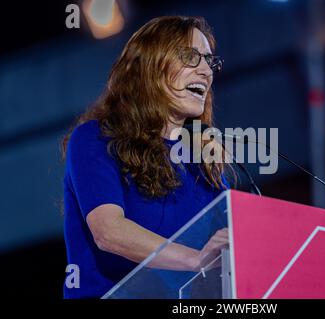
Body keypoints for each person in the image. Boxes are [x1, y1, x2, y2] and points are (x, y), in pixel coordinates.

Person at [61, 16, 233, 299]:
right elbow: (108, 231)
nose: (206, 70)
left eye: (209, 61)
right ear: (150, 67)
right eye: (191, 57)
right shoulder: (95, 138)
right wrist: (196, 259)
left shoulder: (203, 162)